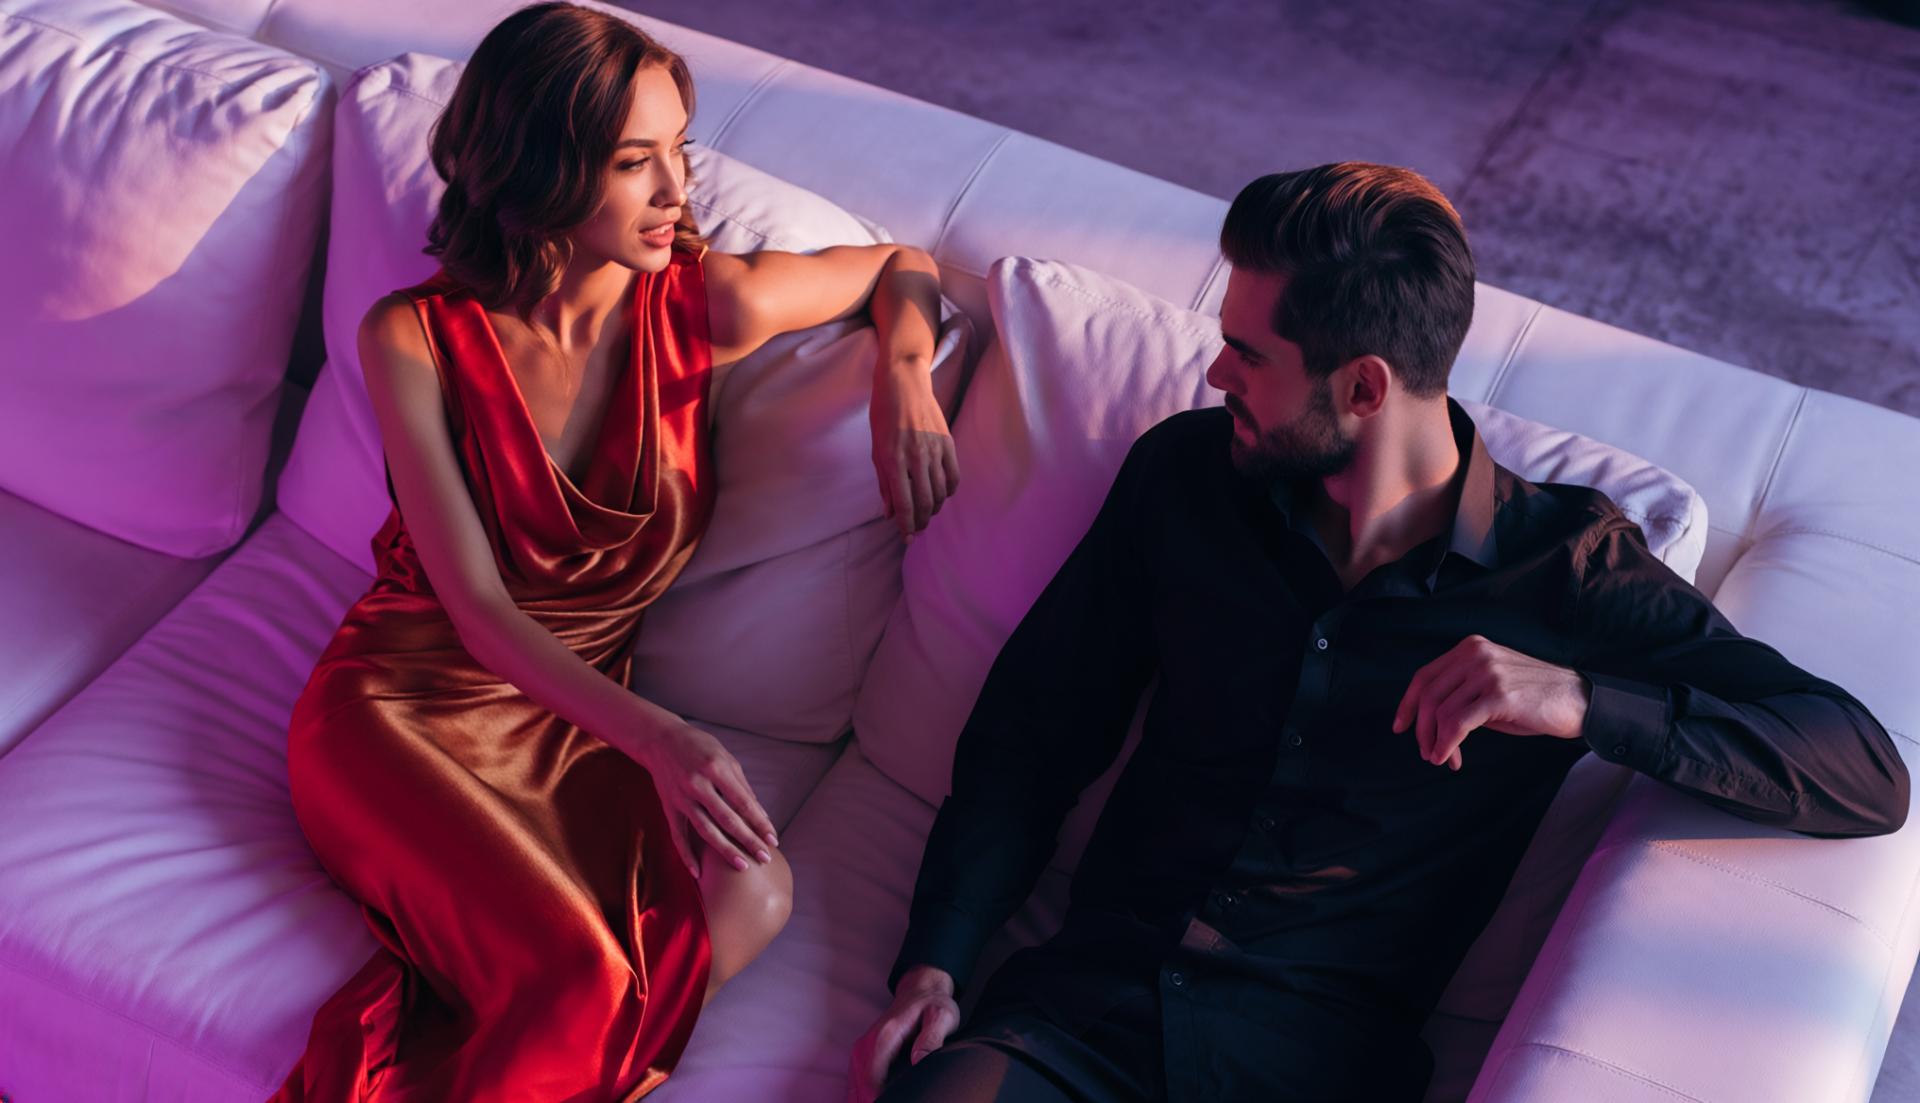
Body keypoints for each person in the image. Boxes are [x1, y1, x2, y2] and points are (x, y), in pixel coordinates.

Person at [848, 161, 1909, 1103]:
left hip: (1307, 1063)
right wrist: (935, 961)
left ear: (1361, 387)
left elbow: (1864, 769)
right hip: (1075, 1024)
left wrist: (1579, 701)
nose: (1218, 376)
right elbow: (1038, 729)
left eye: (1247, 355)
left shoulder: (1565, 569)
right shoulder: (1187, 476)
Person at [271, 4, 958, 1100]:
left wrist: (906, 378)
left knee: (756, 891)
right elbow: (482, 611)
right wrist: (667, 740)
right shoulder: (413, 337)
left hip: (572, 718)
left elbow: (903, 265)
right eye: (637, 161)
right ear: (541, 165)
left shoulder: (705, 307)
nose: (678, 191)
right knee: (585, 964)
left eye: (679, 149)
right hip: (406, 703)